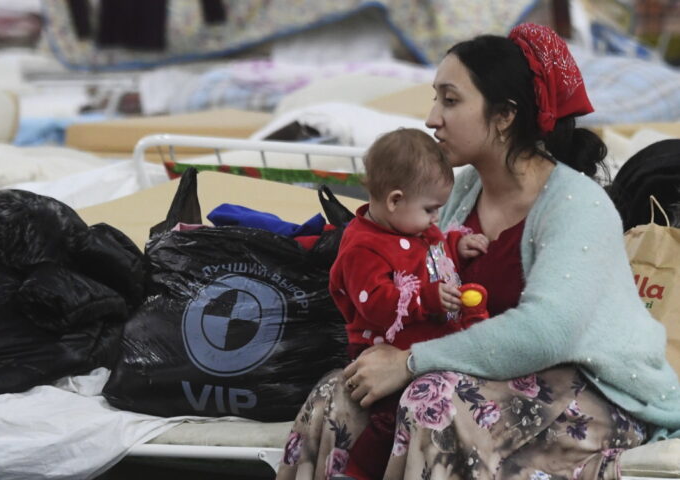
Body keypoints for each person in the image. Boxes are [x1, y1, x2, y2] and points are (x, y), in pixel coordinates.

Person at [277, 23, 680, 480]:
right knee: (340, 396)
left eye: (450, 100)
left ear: (504, 115)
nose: (432, 118)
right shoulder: (456, 193)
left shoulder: (576, 205)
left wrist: (410, 362)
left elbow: (545, 334)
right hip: (484, 378)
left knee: (437, 402)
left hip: (594, 392)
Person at [330, 128, 490, 478]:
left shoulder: (415, 227)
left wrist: (456, 248)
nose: (437, 219)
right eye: (431, 209)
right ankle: (357, 470)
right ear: (394, 200)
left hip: (426, 343)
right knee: (392, 414)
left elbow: (433, 258)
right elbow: (374, 303)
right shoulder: (363, 247)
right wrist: (427, 298)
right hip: (383, 349)